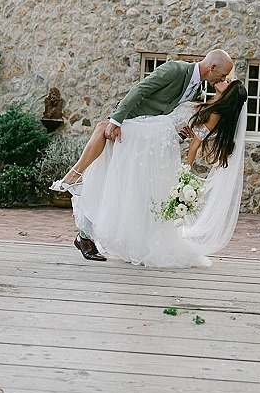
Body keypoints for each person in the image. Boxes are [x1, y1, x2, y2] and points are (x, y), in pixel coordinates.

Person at [51, 49, 234, 260]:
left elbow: (171, 115)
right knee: (107, 172)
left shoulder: (197, 90)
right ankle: (82, 221)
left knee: (123, 190)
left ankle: (96, 234)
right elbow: (141, 90)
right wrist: (117, 120)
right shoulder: (175, 69)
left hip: (149, 141)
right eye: (222, 75)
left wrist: (179, 129)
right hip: (131, 129)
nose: (223, 79)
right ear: (212, 67)